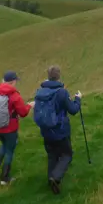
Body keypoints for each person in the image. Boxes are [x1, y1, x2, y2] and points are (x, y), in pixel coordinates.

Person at [33, 65, 82, 195]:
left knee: (52, 155)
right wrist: (78, 99)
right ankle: (56, 177)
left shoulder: (40, 91)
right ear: (58, 76)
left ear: (48, 76)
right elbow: (73, 110)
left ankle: (51, 180)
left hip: (45, 130)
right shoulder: (61, 92)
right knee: (67, 155)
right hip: (60, 131)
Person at [0, 71, 35, 185]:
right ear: (13, 81)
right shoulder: (14, 95)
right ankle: (5, 178)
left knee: (4, 144)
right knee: (10, 150)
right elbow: (23, 113)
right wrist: (30, 105)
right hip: (10, 128)